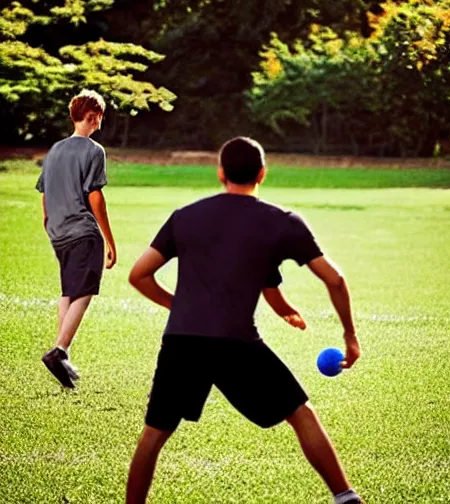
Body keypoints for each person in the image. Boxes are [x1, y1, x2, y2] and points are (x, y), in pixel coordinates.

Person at [126, 136, 363, 504]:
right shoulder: (282, 222)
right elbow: (335, 279)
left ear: (220, 173)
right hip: (236, 342)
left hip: (183, 341)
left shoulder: (185, 217)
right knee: (301, 415)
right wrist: (350, 336)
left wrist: (182, 305)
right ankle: (345, 497)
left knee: (154, 435)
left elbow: (139, 274)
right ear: (262, 174)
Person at [36, 89, 117, 389]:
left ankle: (62, 357)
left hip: (58, 231)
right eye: (100, 117)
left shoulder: (54, 150)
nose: (100, 122)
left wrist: (49, 224)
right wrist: (109, 240)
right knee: (85, 289)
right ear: (92, 116)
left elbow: (44, 195)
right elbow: (95, 196)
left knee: (69, 290)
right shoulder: (94, 151)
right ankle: (59, 351)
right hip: (83, 231)